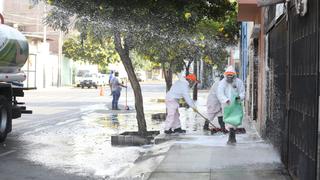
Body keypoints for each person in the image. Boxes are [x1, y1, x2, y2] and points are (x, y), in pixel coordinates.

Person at [217, 66, 245, 144]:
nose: (229, 77)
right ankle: (231, 136)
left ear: (234, 75)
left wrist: (240, 97)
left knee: (235, 120)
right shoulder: (222, 83)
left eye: (231, 75)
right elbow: (220, 93)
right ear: (225, 75)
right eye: (228, 75)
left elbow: (242, 92)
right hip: (227, 105)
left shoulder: (239, 82)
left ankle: (232, 135)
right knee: (228, 121)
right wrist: (225, 100)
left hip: (236, 105)